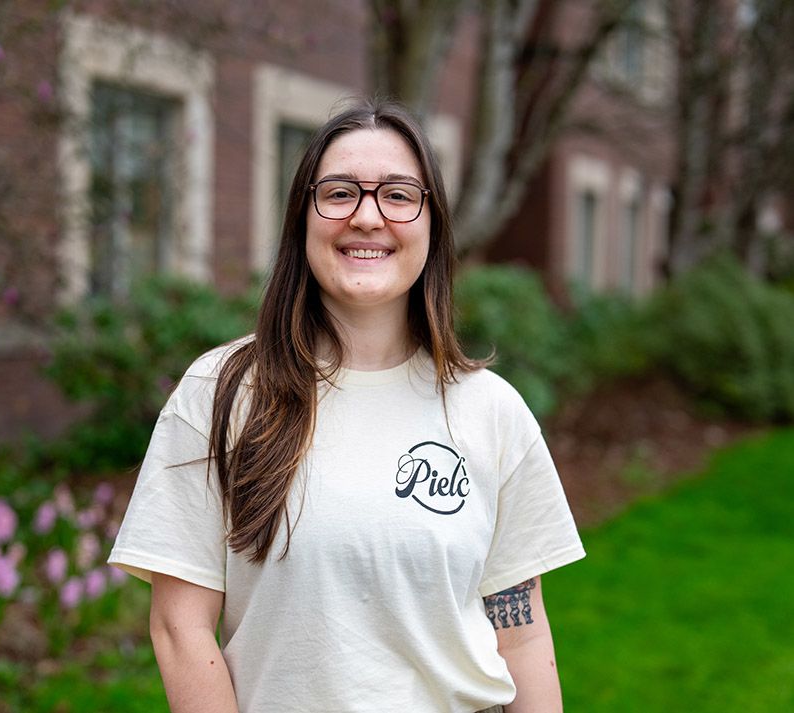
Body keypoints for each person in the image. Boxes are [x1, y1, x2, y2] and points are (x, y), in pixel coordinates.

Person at [108, 99, 585, 713]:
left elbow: (519, 635)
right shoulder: (221, 393)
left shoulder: (491, 410)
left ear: (431, 223)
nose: (367, 217)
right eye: (338, 193)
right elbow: (180, 630)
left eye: (398, 195)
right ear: (302, 218)